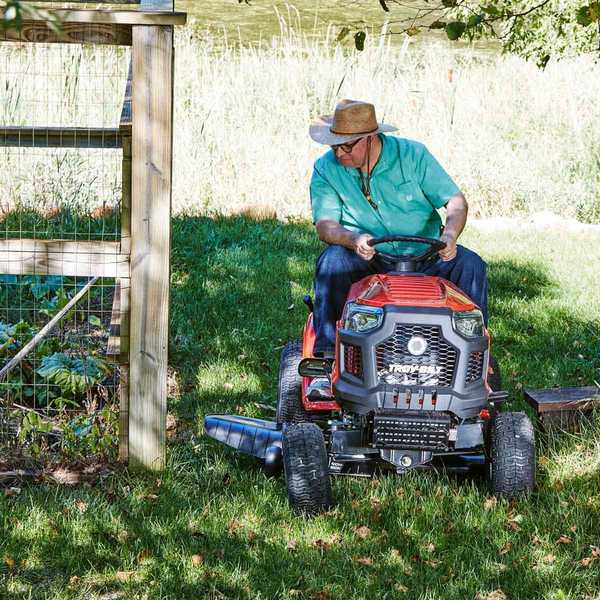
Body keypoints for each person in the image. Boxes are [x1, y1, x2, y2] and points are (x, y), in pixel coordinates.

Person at [309, 99, 488, 357]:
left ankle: (474, 356)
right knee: (332, 262)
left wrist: (449, 235)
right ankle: (326, 358)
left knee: (470, 264)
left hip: (426, 256)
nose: (339, 154)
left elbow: (455, 201)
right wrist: (354, 239)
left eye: (346, 146)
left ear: (370, 138)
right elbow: (325, 226)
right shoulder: (325, 168)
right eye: (334, 146)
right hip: (368, 258)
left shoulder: (413, 156)